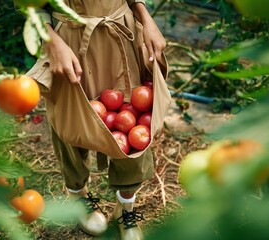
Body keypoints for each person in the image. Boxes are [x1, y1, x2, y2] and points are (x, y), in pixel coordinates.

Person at [31, 0, 167, 239]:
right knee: (71, 123)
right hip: (68, 42)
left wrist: (146, 18)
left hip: (120, 35)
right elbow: (31, 5)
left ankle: (126, 207)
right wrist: (51, 41)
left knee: (132, 122)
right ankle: (78, 195)